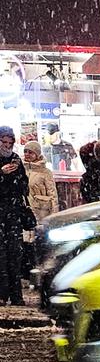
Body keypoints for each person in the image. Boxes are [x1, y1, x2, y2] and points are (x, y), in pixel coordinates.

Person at [0, 126, 28, 304]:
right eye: (4, 142)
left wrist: (16, 177)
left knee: (15, 255)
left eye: (10, 142)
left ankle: (16, 294)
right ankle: (2, 294)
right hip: (2, 213)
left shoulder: (16, 160)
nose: (7, 146)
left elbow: (24, 185)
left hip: (13, 213)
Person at [23, 141, 59, 222]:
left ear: (37, 154)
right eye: (25, 151)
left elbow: (52, 194)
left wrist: (54, 215)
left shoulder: (45, 172)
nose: (27, 154)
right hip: (25, 212)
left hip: (42, 212)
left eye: (30, 152)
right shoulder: (21, 170)